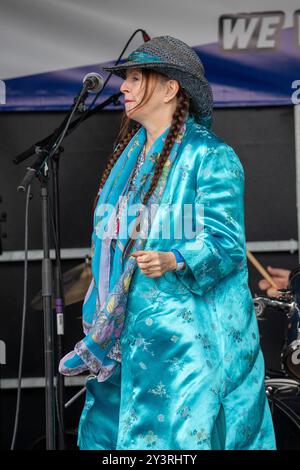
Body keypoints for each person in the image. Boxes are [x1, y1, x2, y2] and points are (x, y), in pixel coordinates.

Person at [59, 35, 276, 450]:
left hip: (188, 346)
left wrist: (175, 257)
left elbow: (227, 243)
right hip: (125, 340)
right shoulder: (131, 158)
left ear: (170, 88)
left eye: (136, 78)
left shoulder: (211, 156)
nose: (123, 87)